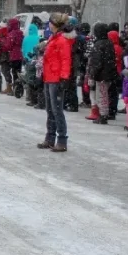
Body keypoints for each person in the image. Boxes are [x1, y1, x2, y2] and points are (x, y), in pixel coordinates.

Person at [38, 13, 73, 152]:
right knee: (50, 110)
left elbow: (66, 59)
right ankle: (50, 137)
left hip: (56, 78)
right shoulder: (54, 38)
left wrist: (64, 77)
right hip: (49, 76)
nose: (48, 24)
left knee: (57, 110)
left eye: (50, 22)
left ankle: (62, 139)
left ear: (55, 24)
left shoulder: (61, 40)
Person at [85, 23, 117, 124]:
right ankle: (104, 113)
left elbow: (96, 62)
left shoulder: (99, 44)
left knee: (101, 95)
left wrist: (92, 74)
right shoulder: (109, 43)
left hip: (101, 75)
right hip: (108, 73)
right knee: (104, 94)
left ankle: (103, 115)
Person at [3, 17, 24, 95]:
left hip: (14, 55)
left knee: (14, 72)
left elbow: (8, 46)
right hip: (20, 55)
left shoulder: (11, 34)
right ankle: (19, 86)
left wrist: (4, 45)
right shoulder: (20, 33)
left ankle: (16, 88)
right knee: (18, 72)